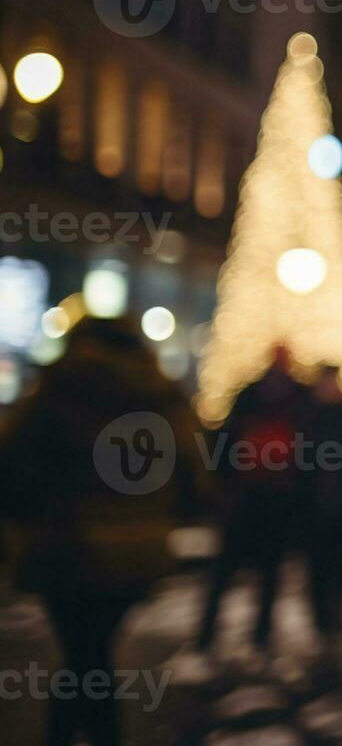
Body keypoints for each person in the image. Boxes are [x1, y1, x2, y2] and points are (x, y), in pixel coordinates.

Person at [0, 316, 205, 746]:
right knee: (89, 654)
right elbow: (194, 474)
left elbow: (14, 463)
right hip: (136, 554)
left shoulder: (59, 387)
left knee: (82, 653)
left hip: (65, 546)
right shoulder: (161, 394)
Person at [196, 347, 306, 654]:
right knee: (264, 574)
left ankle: (211, 637)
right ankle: (257, 637)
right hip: (267, 498)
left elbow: (224, 441)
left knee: (230, 573)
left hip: (252, 497)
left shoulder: (250, 394)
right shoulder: (297, 399)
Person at [300, 367, 342, 642]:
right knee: (318, 565)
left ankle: (336, 614)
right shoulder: (308, 418)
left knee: (341, 565)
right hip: (316, 506)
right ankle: (321, 618)